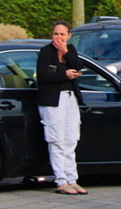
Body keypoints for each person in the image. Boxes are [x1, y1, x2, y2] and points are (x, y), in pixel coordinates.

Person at [36, 20, 87, 196]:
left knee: (71, 139)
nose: (58, 37)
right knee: (56, 139)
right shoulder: (45, 52)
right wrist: (63, 75)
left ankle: (72, 179)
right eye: (55, 34)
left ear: (68, 35)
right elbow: (42, 77)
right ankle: (61, 180)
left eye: (62, 34)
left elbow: (80, 67)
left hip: (70, 98)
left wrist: (65, 52)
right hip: (52, 100)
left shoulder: (70, 50)